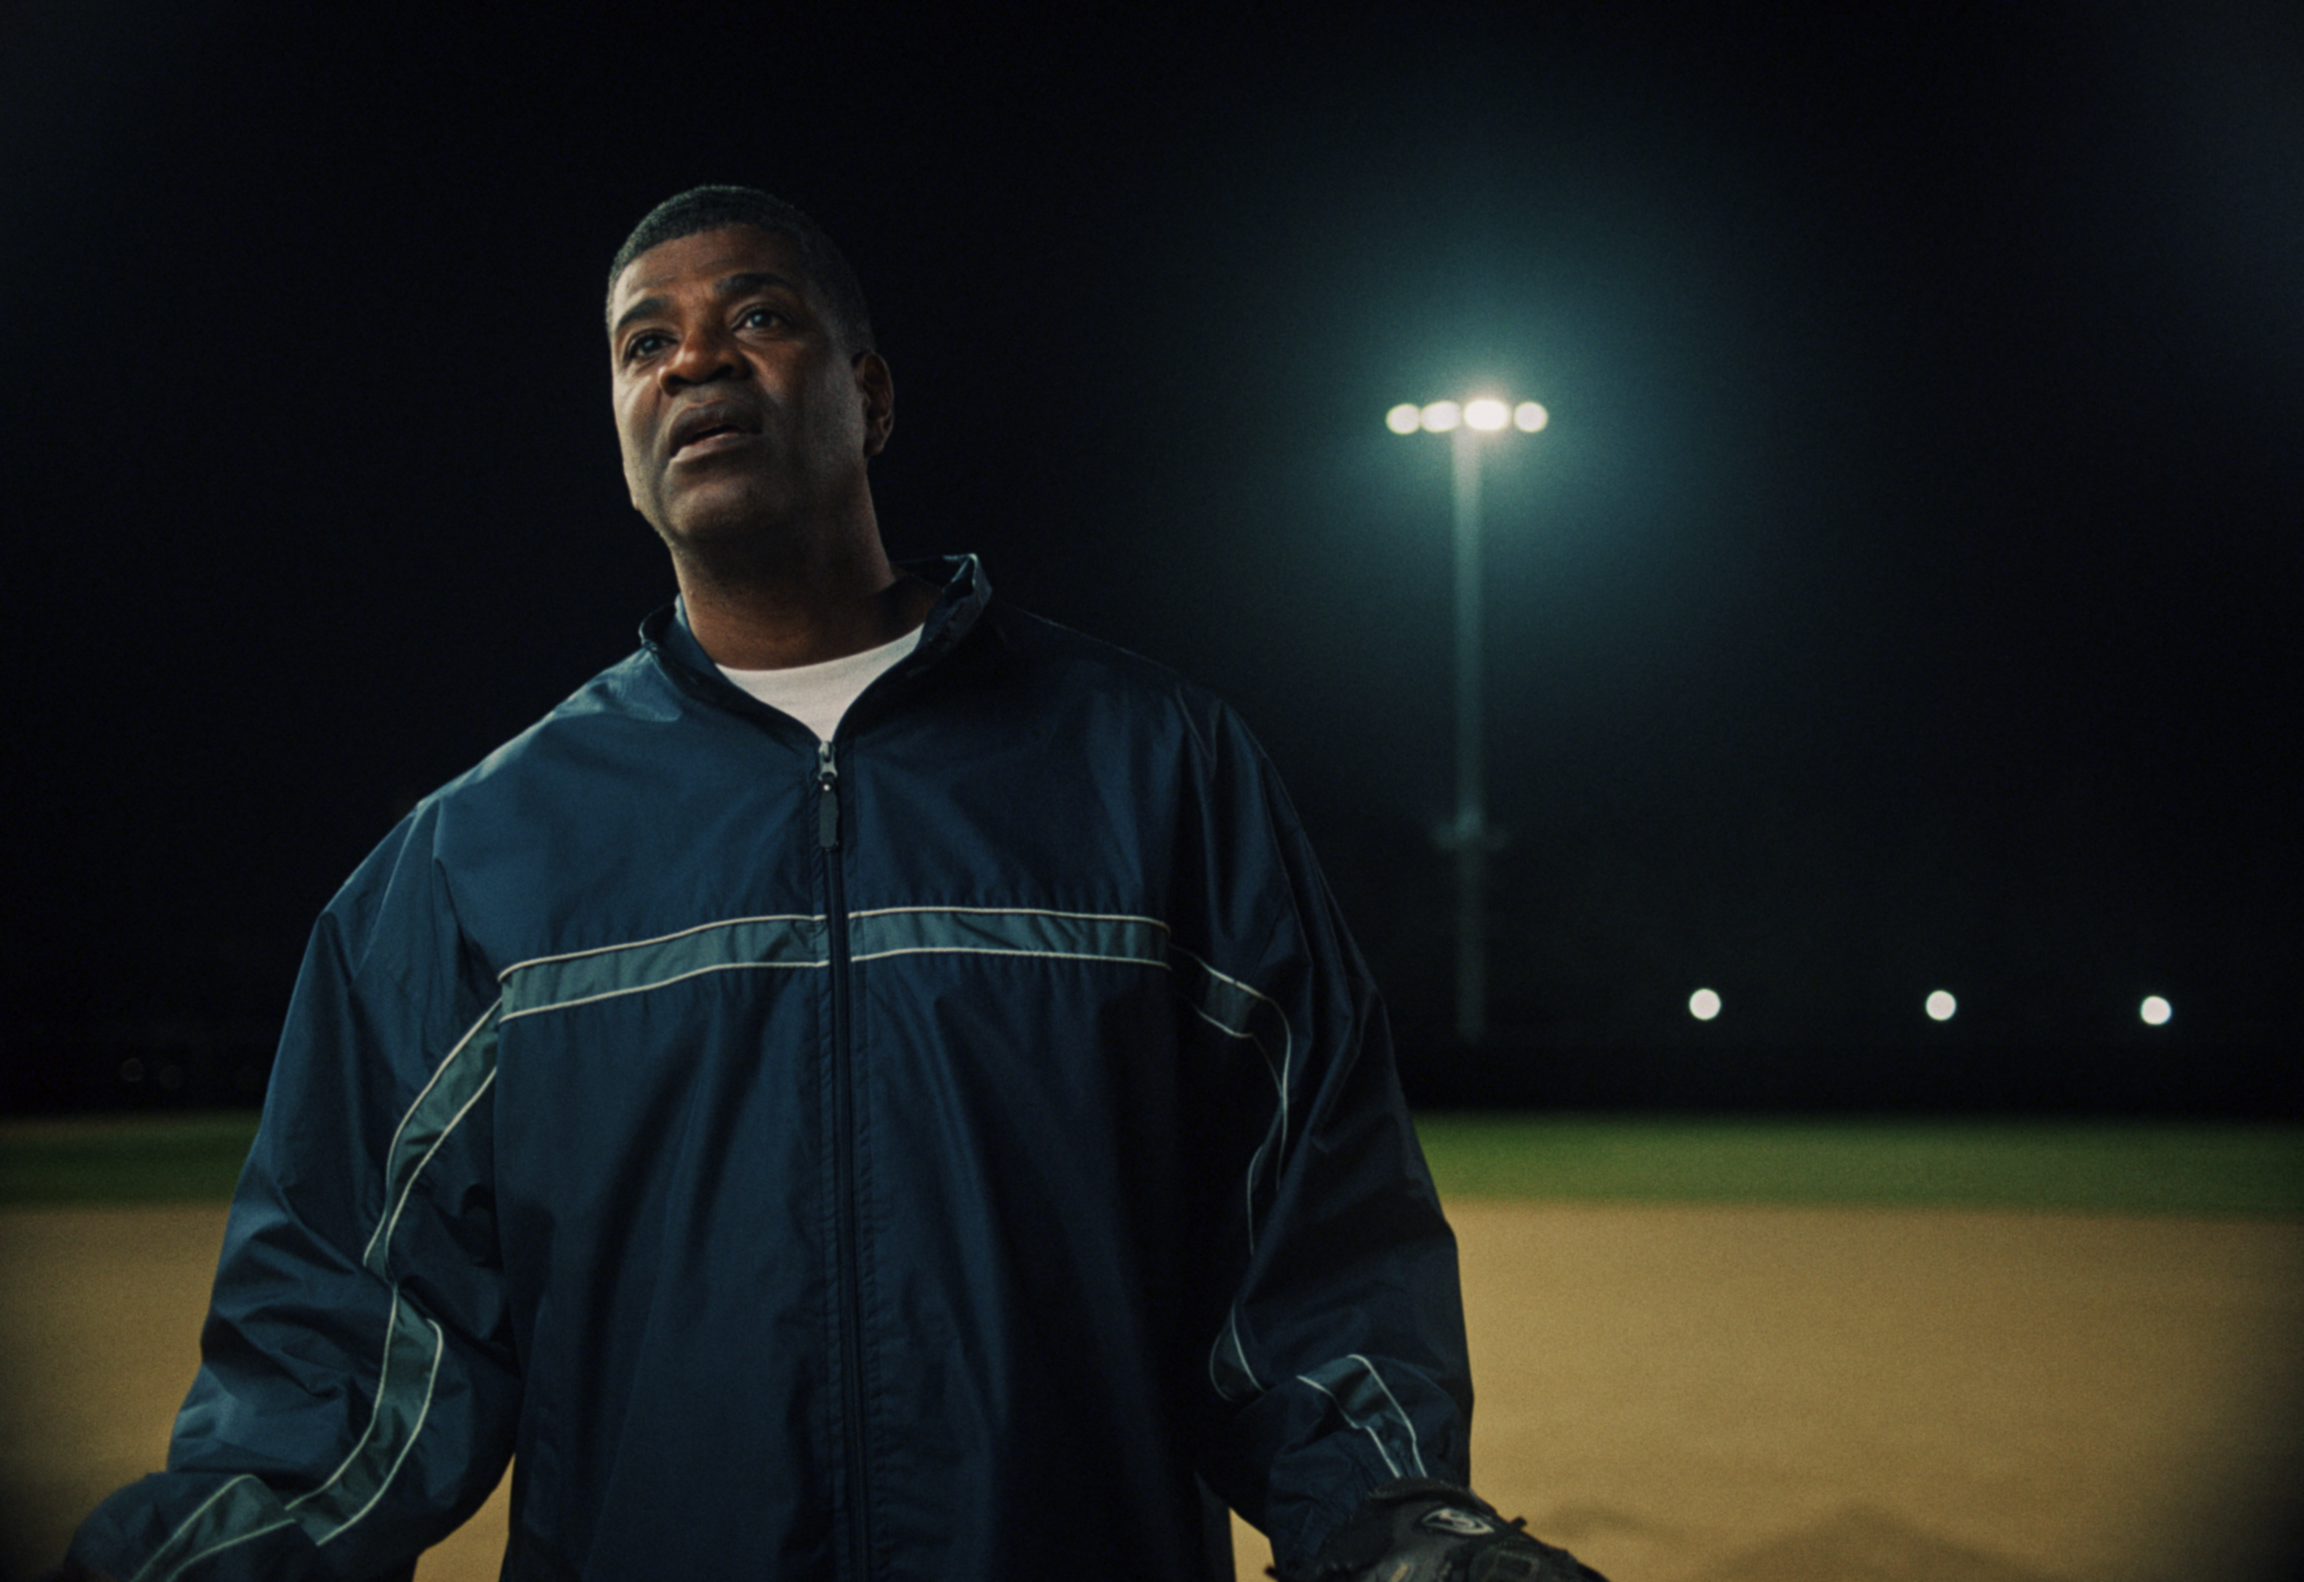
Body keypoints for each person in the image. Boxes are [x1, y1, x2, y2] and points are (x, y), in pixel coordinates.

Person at [55, 187, 1605, 1582]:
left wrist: (1402, 1525)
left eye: (757, 316)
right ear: (620, 431)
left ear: (868, 395)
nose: (694, 360)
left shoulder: (1156, 768)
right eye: (644, 342)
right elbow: (341, 1364)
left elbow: (1313, 1247)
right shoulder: (476, 856)